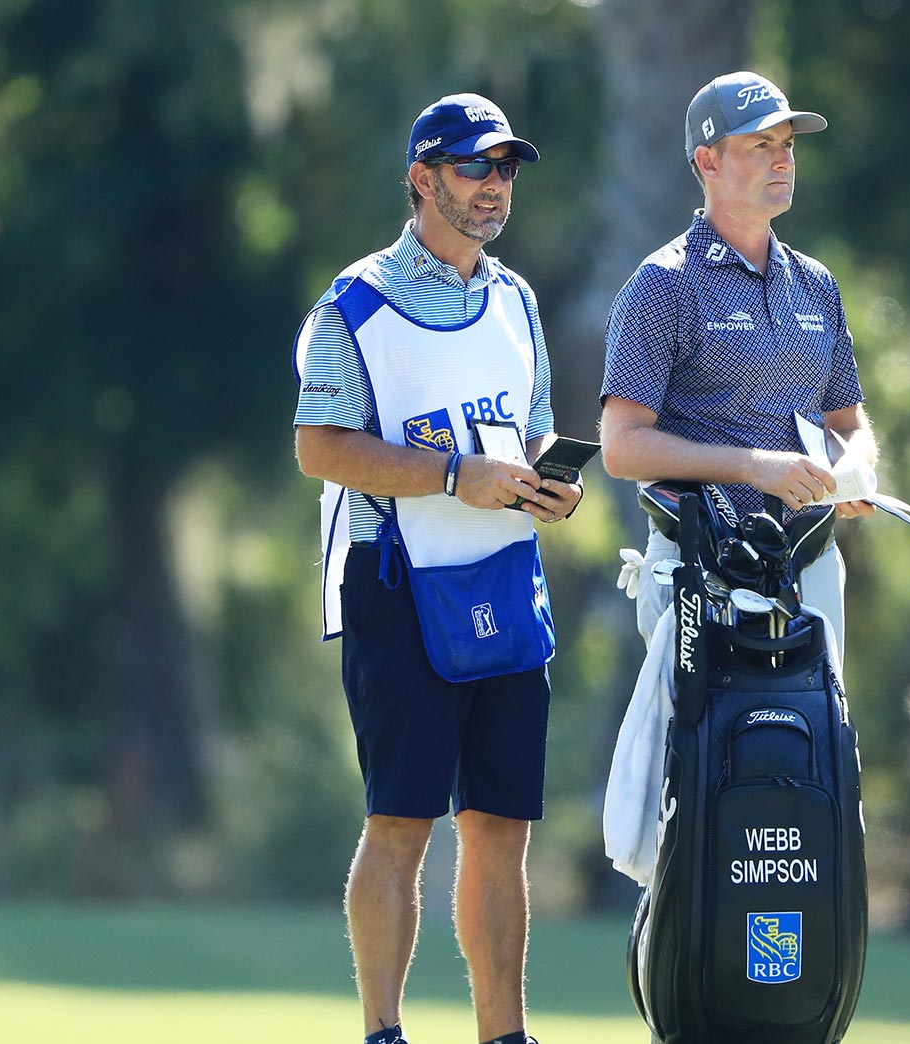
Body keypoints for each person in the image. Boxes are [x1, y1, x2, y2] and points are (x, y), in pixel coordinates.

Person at [291, 92, 579, 1044]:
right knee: (402, 823)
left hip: (502, 572)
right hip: (392, 577)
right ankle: (383, 1030)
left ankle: (505, 1036)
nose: (495, 186)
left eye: (505, 169)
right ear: (422, 179)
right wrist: (455, 474)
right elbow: (321, 447)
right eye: (473, 167)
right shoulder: (357, 301)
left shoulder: (517, 298)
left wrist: (547, 483)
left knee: (500, 825)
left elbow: (531, 425)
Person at [601, 71, 877, 648]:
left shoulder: (816, 284)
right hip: (698, 563)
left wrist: (856, 470)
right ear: (708, 161)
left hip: (810, 560)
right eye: (760, 145)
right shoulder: (662, 283)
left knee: (819, 737)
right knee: (701, 740)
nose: (782, 161)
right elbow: (621, 447)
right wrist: (754, 466)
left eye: (788, 146)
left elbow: (847, 422)